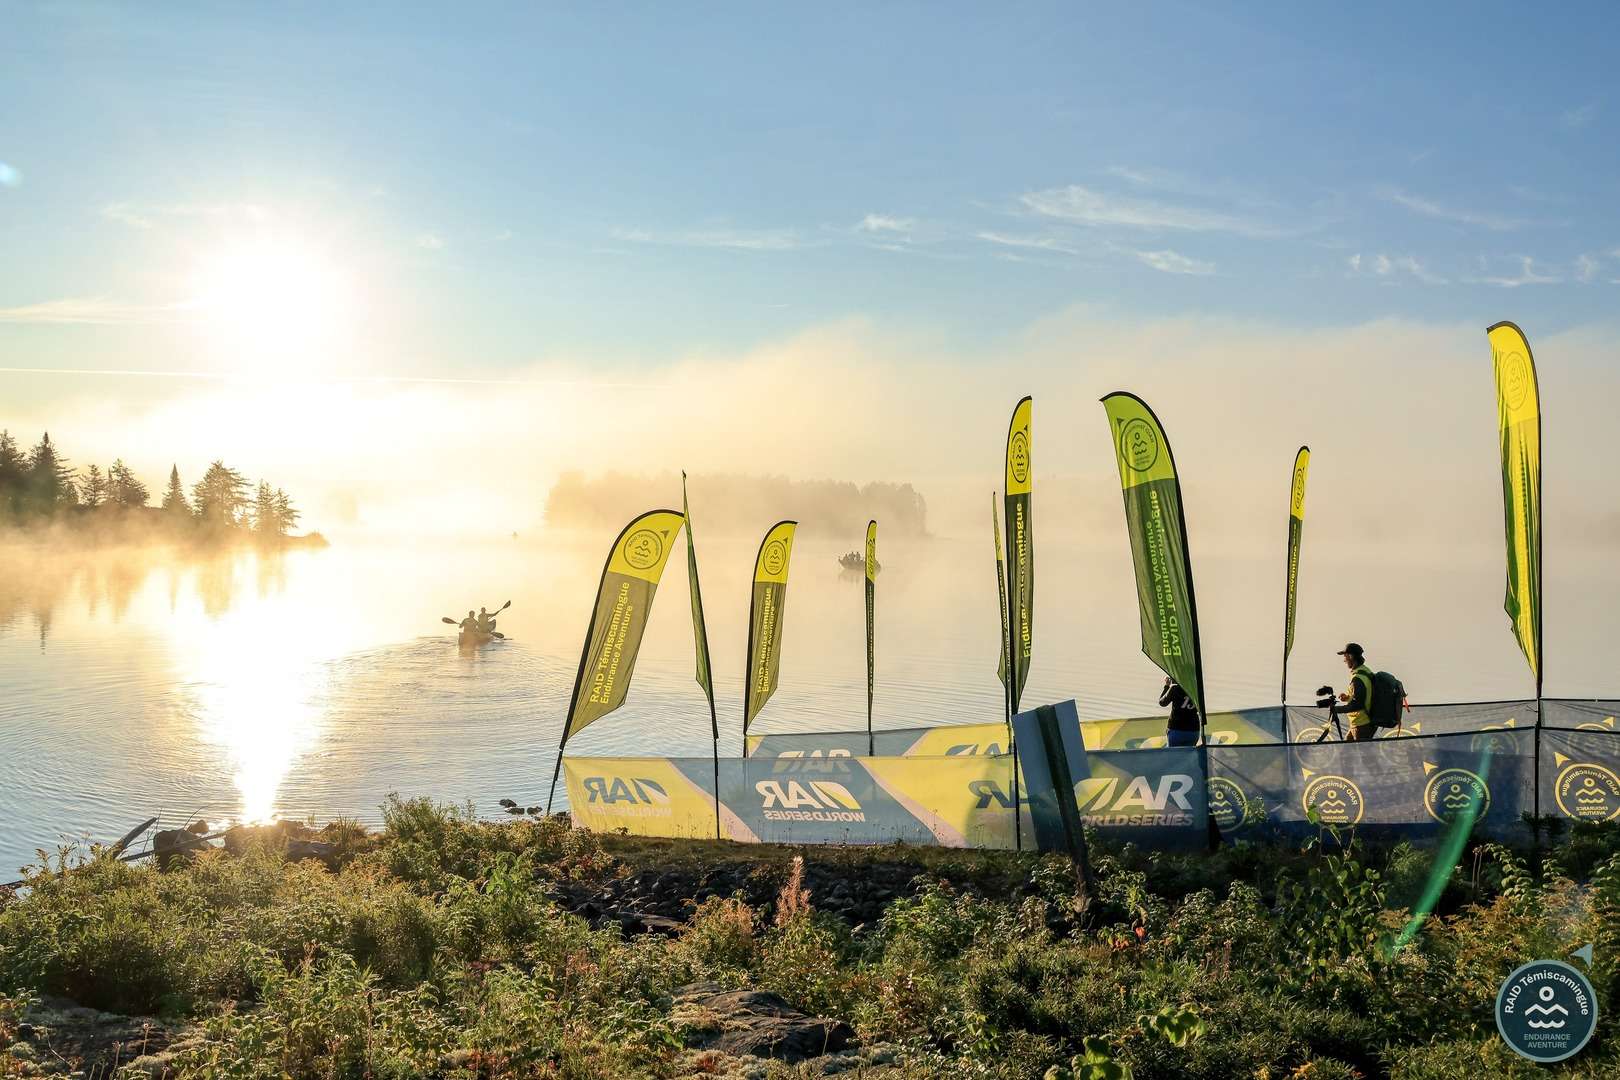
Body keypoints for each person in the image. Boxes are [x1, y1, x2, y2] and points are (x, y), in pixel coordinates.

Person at [1331, 642, 1377, 741]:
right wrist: (1348, 697)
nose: (1344, 660)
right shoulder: (1365, 671)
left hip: (1362, 724)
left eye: (1345, 656)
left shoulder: (1358, 678)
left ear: (1351, 656)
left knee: (1358, 751)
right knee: (1346, 750)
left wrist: (1337, 709)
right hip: (1360, 723)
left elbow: (1358, 704)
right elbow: (1362, 695)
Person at [1159, 677, 1201, 746]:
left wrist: (1167, 686)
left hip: (1176, 729)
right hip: (1194, 730)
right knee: (1189, 752)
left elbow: (1162, 703)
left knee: (1174, 752)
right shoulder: (1197, 689)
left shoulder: (1175, 688)